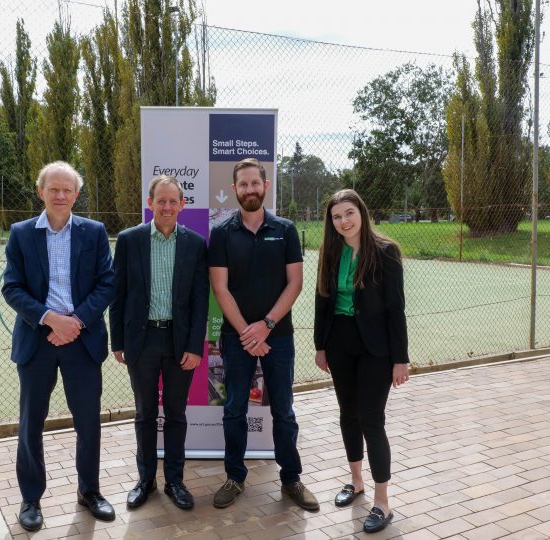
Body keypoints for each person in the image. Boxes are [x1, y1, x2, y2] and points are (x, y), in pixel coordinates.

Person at [1, 161, 117, 531]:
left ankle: (89, 491)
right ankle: (31, 498)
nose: (61, 195)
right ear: (41, 192)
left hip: (82, 341)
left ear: (77, 194)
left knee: (88, 422)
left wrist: (76, 322)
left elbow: (107, 285)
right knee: (31, 422)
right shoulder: (21, 234)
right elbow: (12, 288)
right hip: (37, 341)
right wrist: (51, 320)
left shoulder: (94, 232)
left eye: (68, 190)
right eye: (54, 189)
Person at [208, 158, 319, 512]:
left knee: (284, 411)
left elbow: (295, 283)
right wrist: (246, 332)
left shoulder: (285, 229)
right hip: (238, 339)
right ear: (235, 189)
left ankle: (291, 480)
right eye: (243, 185)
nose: (250, 189)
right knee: (234, 409)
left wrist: (266, 325)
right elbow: (220, 289)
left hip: (279, 337)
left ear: (265, 186)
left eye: (255, 183)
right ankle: (234, 477)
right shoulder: (222, 233)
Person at [313, 189, 410, 534]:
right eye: (337, 217)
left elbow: (395, 309)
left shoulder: (386, 252)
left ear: (362, 213)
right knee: (348, 415)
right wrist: (320, 346)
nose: (344, 221)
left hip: (376, 349)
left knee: (371, 419)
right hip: (339, 344)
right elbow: (322, 300)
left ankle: (382, 502)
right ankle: (356, 483)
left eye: (349, 213)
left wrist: (401, 359)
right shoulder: (331, 251)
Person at [110, 175, 209, 511]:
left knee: (177, 414)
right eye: (160, 201)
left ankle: (175, 483)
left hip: (180, 342)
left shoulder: (196, 244)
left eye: (173, 201)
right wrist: (118, 341)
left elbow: (200, 300)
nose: (167, 207)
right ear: (149, 203)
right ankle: (146, 481)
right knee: (145, 414)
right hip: (142, 340)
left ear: (183, 205)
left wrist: (196, 346)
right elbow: (118, 295)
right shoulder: (129, 240)